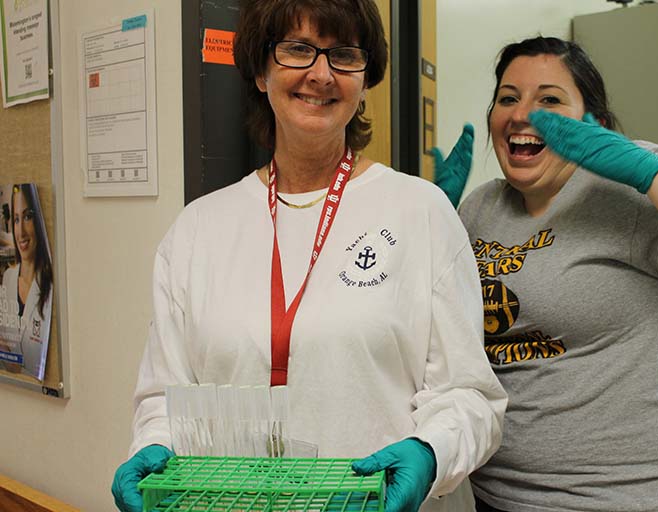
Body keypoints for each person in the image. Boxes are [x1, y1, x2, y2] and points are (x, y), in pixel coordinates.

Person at [110, 1, 507, 511]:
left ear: (365, 79)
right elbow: (165, 398)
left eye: (342, 54)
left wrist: (429, 453)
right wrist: (152, 448)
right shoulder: (198, 230)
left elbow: (471, 395)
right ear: (260, 70)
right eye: (297, 49)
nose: (321, 74)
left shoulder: (420, 211)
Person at [434, 36, 658, 512]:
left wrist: (652, 175)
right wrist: (428, 223)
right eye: (508, 98)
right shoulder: (481, 208)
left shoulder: (629, 192)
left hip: (643, 497)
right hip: (504, 496)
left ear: (597, 124)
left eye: (549, 99)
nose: (522, 114)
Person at [0, 184, 53, 380]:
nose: (20, 231)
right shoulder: (8, 278)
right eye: (16, 219)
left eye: (28, 217)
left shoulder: (49, 285)